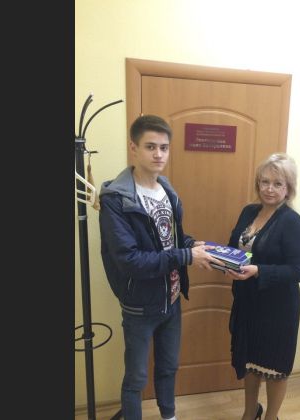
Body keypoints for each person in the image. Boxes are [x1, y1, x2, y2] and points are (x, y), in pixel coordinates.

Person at [98, 115, 223, 420]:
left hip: (172, 299)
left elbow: (170, 239)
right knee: (136, 379)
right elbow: (131, 261)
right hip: (140, 306)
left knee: (168, 367)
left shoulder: (166, 189)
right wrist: (185, 255)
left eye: (164, 148)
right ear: (133, 148)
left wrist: (192, 245)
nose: (158, 154)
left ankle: (169, 416)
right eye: (150, 146)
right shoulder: (115, 200)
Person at [224, 153, 300, 420]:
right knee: (250, 363)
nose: (269, 189)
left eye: (277, 183)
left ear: (288, 188)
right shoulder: (249, 211)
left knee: (274, 368)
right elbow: (236, 246)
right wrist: (222, 259)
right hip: (248, 301)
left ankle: (271, 416)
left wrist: (259, 270)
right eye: (264, 182)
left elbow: (298, 270)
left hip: (278, 308)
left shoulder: (293, 223)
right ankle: (250, 412)